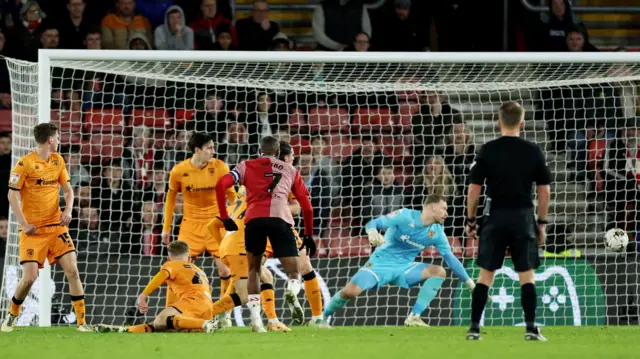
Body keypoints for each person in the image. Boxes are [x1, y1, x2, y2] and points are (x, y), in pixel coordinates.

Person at [465, 101, 551, 341]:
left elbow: (474, 189)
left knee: (485, 276)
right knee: (527, 274)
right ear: (522, 123)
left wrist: (471, 220)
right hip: (523, 217)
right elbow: (545, 191)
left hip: (495, 216)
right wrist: (541, 222)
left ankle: (473, 329)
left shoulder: (487, 150)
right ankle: (531, 329)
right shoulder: (533, 150)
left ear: (498, 121)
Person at [321, 194, 474, 326]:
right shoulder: (405, 216)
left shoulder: (437, 233)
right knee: (350, 292)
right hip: (380, 263)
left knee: (438, 272)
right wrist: (372, 232)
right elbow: (373, 223)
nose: (447, 213)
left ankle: (414, 316)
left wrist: (470, 283)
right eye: (444, 208)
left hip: (404, 268)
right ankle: (322, 318)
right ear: (432, 207)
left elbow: (451, 259)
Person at [214, 136, 316, 331]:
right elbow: (307, 208)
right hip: (281, 220)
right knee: (294, 271)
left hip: (254, 221)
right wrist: (308, 234)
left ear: (260, 150)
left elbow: (221, 185)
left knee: (254, 271)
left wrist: (224, 216)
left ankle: (256, 322)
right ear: (278, 153)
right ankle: (291, 291)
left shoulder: (245, 166)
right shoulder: (291, 170)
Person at [1, 123, 90, 332]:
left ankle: (82, 323)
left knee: (73, 271)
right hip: (33, 232)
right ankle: (12, 315)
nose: (59, 141)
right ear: (50, 139)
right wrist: (24, 224)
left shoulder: (58, 160)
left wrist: (67, 211)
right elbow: (11, 195)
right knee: (29, 278)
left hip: (57, 228)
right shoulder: (25, 164)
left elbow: (69, 191)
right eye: (57, 137)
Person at [162, 132, 237, 328]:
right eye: (209, 148)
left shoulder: (220, 167)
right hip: (190, 225)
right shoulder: (179, 171)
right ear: (197, 150)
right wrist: (166, 227)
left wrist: (234, 218)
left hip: (215, 224)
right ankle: (170, 311)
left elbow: (232, 195)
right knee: (176, 269)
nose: (213, 151)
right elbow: (170, 199)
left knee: (226, 268)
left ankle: (223, 314)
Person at [208, 186, 292, 332]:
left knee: (266, 276)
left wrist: (222, 245)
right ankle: (201, 316)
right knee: (244, 295)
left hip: (232, 249)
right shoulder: (261, 207)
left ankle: (271, 321)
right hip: (240, 250)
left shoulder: (235, 206)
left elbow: (211, 226)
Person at [94, 241, 219, 333]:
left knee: (161, 321)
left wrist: (143, 295)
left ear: (168, 258)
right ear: (189, 258)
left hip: (193, 303)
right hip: (207, 308)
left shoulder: (172, 265)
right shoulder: (198, 270)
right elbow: (171, 302)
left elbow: (162, 275)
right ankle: (124, 330)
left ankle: (205, 324)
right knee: (160, 325)